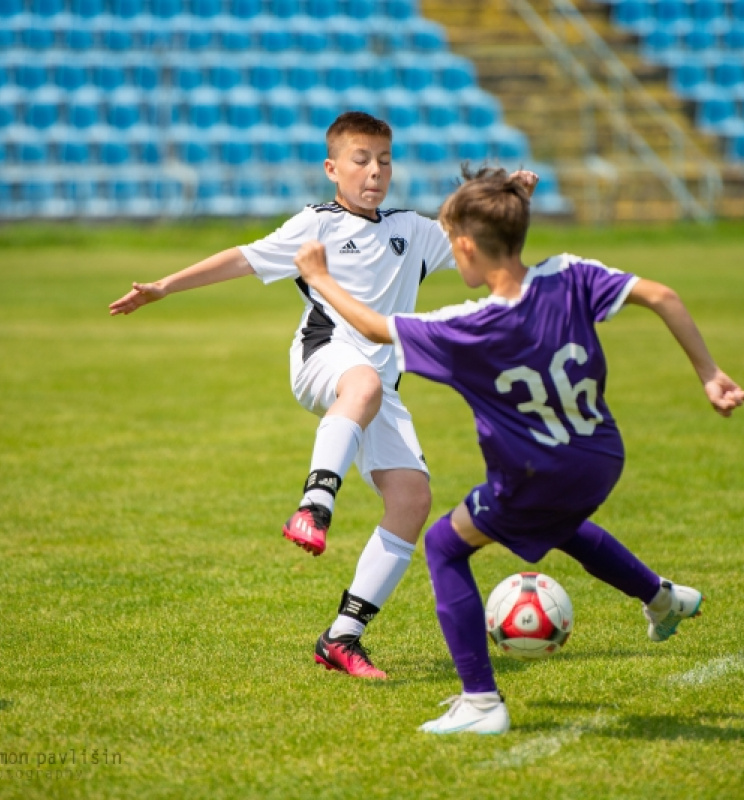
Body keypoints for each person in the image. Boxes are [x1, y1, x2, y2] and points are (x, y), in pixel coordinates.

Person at [292, 166, 744, 733]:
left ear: (463, 246)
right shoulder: (572, 274)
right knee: (553, 523)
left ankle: (481, 703)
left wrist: (321, 278)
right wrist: (709, 374)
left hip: (534, 471)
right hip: (602, 456)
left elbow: (379, 328)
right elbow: (662, 295)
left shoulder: (468, 325)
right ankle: (660, 598)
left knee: (443, 546)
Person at [109, 111, 536, 680]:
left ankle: (343, 636)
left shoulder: (411, 230)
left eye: (384, 160)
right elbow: (242, 257)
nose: (375, 172)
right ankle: (314, 506)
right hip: (324, 361)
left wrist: (512, 196)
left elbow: (473, 237)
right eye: (361, 160)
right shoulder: (318, 223)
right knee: (360, 382)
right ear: (333, 168)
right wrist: (164, 285)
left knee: (412, 501)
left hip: (380, 390)